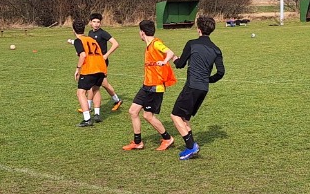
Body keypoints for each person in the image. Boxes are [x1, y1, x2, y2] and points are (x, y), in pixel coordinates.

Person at [170, 16, 225, 160]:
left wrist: (173, 57)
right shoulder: (216, 50)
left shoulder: (192, 44)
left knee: (175, 115)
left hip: (192, 86)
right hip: (203, 88)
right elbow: (221, 72)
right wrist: (208, 80)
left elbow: (180, 64)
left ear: (198, 29)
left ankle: (191, 147)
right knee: (185, 117)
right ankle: (191, 147)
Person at [122, 20, 177, 151]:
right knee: (133, 111)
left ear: (142, 32)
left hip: (155, 87)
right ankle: (137, 142)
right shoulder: (149, 45)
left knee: (148, 115)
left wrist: (164, 61)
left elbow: (170, 52)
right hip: (146, 85)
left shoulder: (155, 43)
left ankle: (167, 138)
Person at [84, 13, 123, 112]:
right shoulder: (90, 33)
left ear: (100, 23)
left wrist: (106, 55)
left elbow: (115, 44)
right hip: (94, 62)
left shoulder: (103, 33)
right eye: (94, 22)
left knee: (97, 84)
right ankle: (116, 100)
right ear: (90, 22)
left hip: (102, 63)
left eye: (98, 22)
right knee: (99, 84)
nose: (96, 24)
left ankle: (89, 107)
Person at [72, 18, 107, 127]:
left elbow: (83, 55)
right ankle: (97, 114)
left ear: (73, 30)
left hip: (90, 69)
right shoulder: (92, 39)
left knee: (81, 93)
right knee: (95, 89)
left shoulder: (78, 41)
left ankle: (87, 119)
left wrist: (78, 69)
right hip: (101, 67)